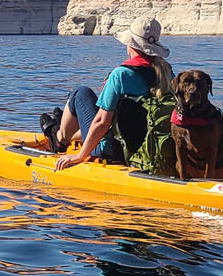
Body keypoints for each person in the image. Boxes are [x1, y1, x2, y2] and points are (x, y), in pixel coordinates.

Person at [52, 16, 174, 170]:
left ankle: (59, 139)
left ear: (131, 45)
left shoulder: (120, 75)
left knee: (81, 93)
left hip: (112, 152)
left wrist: (80, 156)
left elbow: (102, 122)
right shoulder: (168, 73)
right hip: (149, 150)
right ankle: (61, 132)